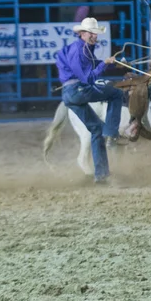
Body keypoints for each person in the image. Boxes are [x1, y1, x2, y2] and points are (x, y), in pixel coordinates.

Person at [56, 17, 129, 184]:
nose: (94, 36)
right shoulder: (80, 51)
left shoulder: (82, 49)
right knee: (116, 94)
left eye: (95, 33)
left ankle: (101, 175)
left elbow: (92, 65)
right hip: (78, 91)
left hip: (71, 94)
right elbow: (88, 78)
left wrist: (111, 64)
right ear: (82, 33)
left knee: (96, 130)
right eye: (91, 33)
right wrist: (104, 64)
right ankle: (111, 133)